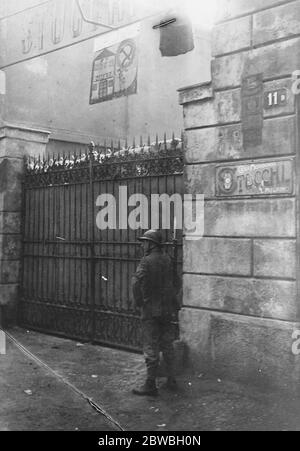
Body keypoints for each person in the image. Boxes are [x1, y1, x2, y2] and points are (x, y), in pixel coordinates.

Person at [132, 229, 180, 397]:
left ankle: (150, 384)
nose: (142, 244)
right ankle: (172, 380)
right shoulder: (168, 259)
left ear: (151, 244)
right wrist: (168, 299)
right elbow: (177, 283)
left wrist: (140, 301)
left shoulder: (146, 261)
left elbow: (136, 283)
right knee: (167, 344)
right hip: (167, 310)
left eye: (144, 242)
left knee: (151, 346)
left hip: (151, 310)